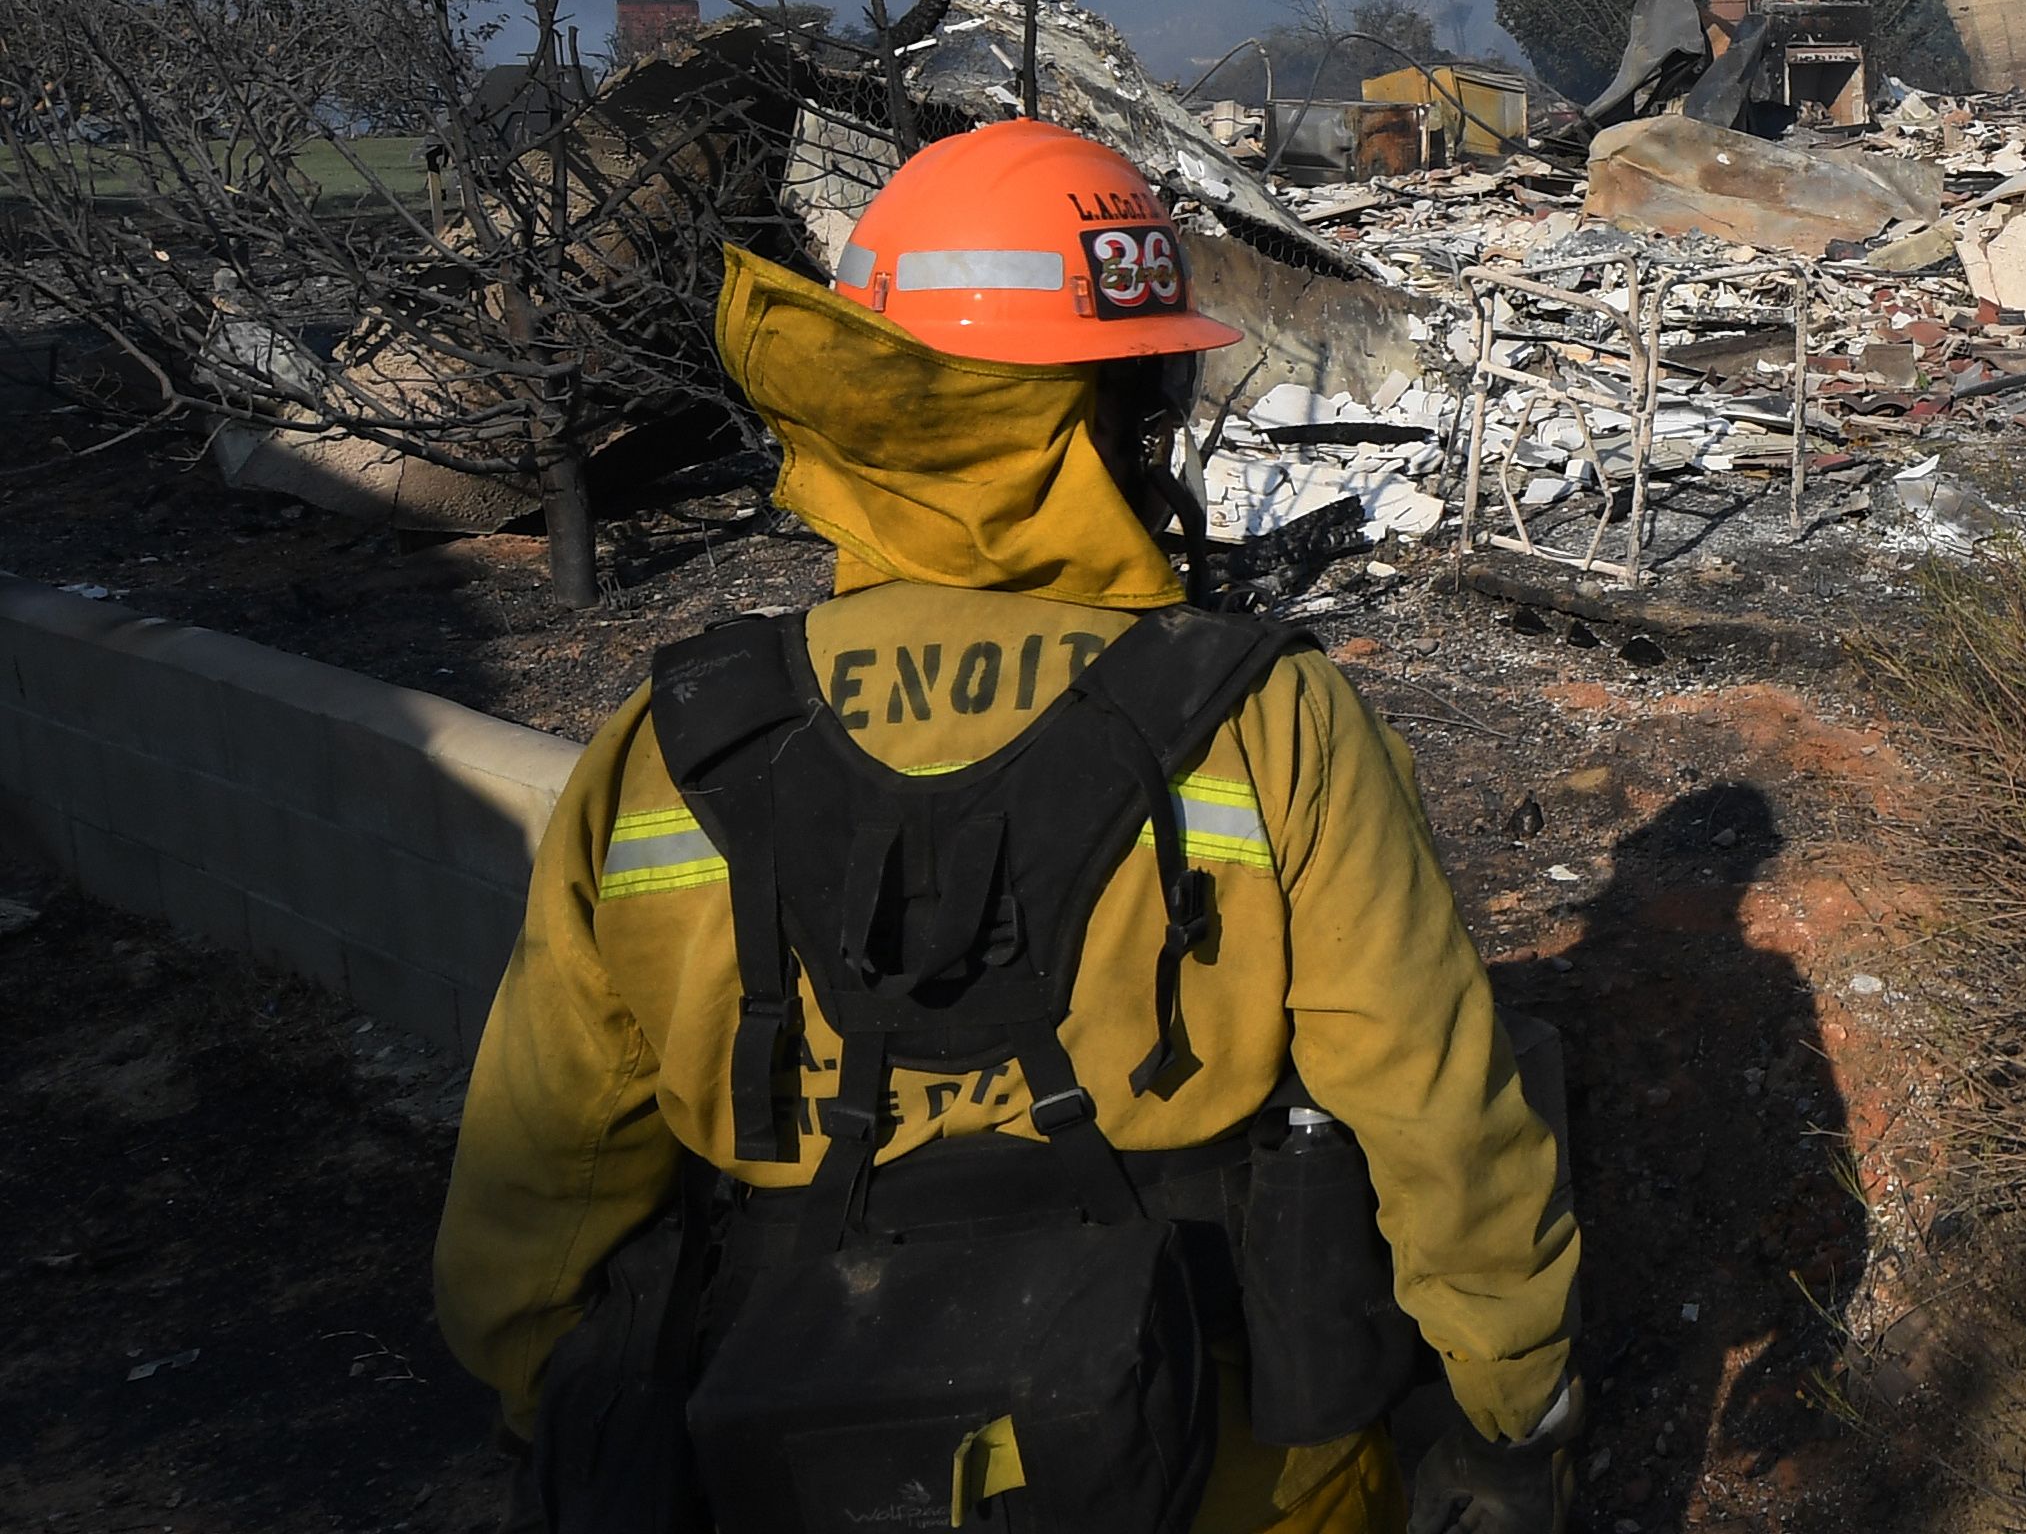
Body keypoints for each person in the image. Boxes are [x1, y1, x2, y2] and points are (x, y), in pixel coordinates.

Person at [434, 119, 1581, 1534]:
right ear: (1122, 402)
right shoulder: (1264, 716)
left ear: (867, 396)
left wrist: (563, 1411)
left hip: (793, 1451)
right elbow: (1438, 1116)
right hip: (1230, 1465)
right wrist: (1513, 1414)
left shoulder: (675, 739)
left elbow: (538, 1171)